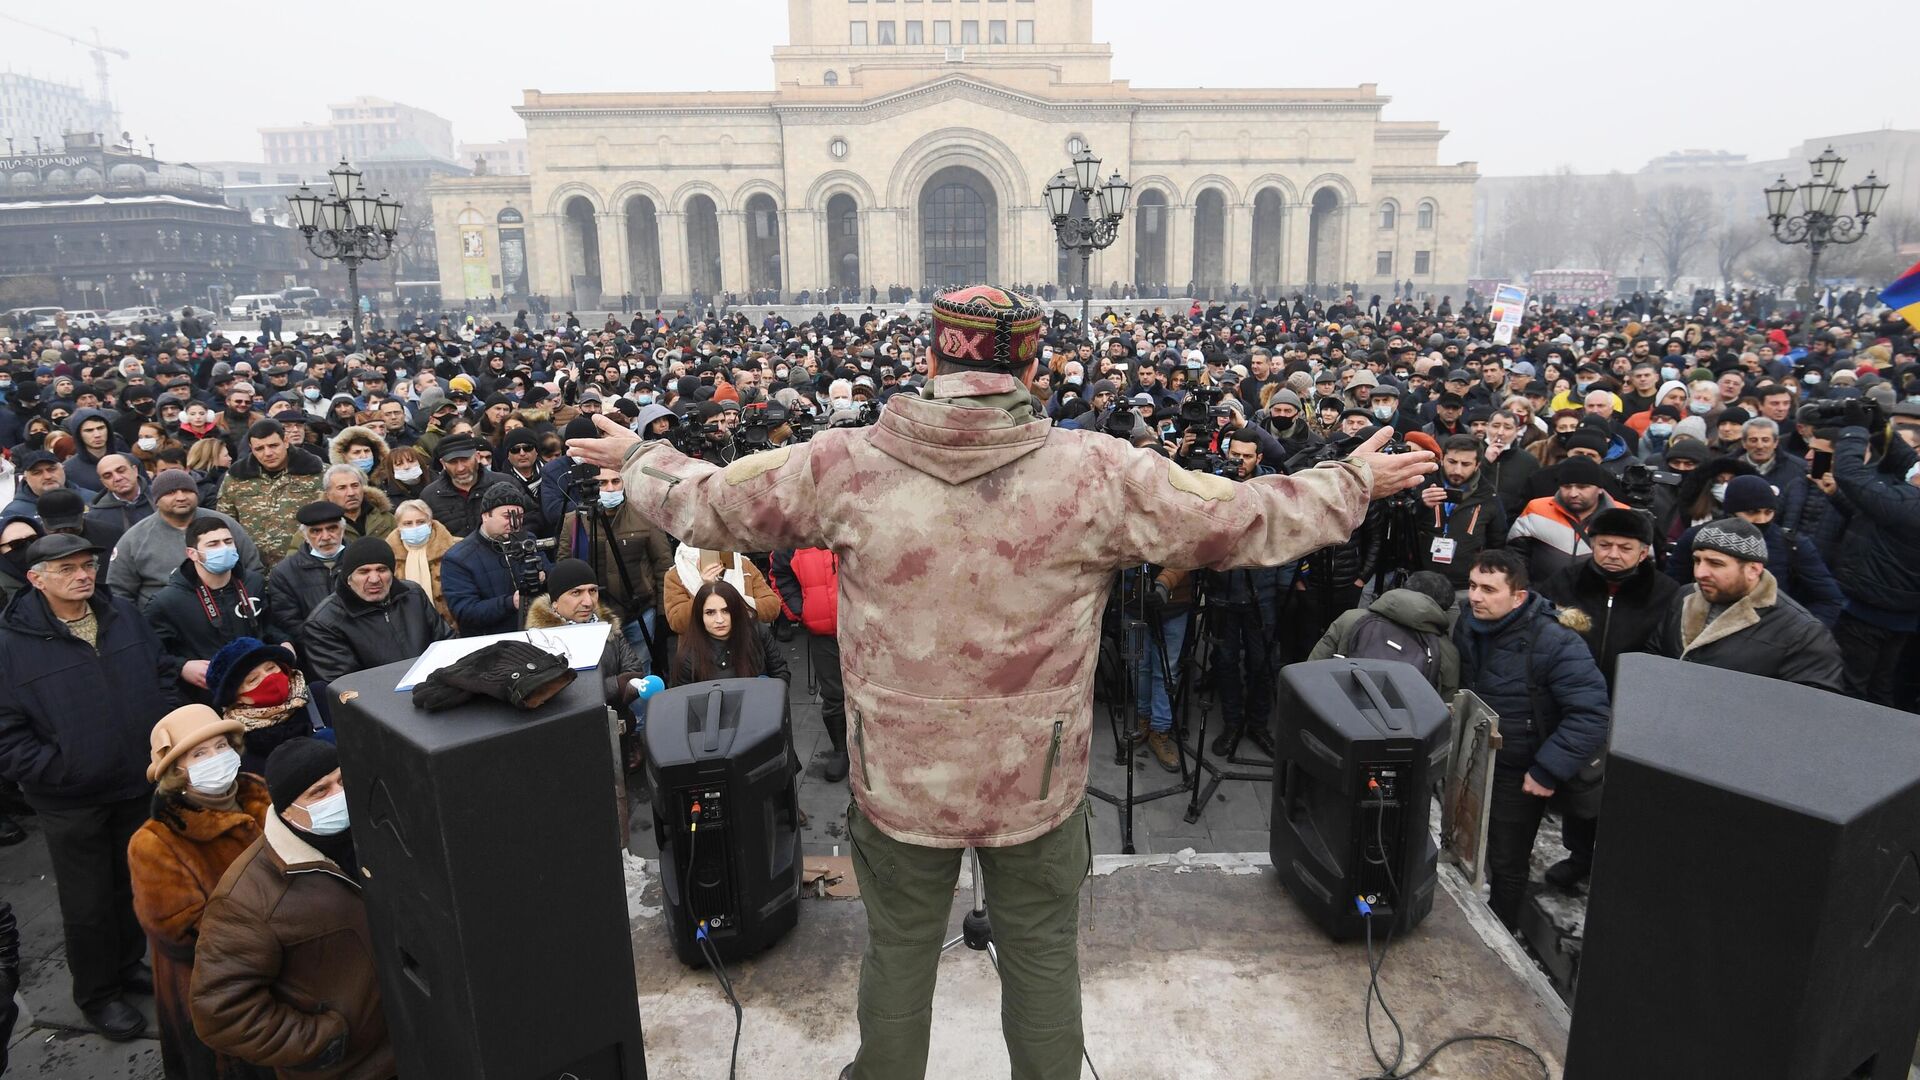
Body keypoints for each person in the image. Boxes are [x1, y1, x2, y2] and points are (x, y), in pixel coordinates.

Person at [567, 283, 1430, 1080]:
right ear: (1028, 369)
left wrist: (642, 455)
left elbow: (713, 501)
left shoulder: (844, 465)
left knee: (898, 956)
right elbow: (1237, 519)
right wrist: (1350, 481)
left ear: (931, 363)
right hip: (1036, 782)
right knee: (1044, 956)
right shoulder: (1097, 472)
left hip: (900, 779)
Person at [0, 533, 181, 1040]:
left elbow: (162, 672)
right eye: (68, 569)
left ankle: (127, 966)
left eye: (87, 564)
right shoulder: (11, 644)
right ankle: (97, 994)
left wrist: (159, 727)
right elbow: (6, 733)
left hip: (135, 780)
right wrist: (61, 768)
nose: (84, 574)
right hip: (70, 797)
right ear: (36, 580)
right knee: (88, 903)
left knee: (134, 885)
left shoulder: (122, 614)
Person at [190, 738, 396, 1079]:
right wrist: (323, 1041)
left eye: (342, 781)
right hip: (351, 1069)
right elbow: (219, 1012)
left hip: (410, 1041)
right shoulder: (248, 899)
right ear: (287, 809)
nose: (338, 796)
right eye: (319, 791)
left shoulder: (371, 830)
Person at [1452, 549, 1611, 930]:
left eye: (1488, 589)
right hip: (1474, 759)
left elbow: (1590, 714)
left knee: (1507, 860)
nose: (1475, 596)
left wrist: (1546, 770)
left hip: (1520, 770)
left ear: (1518, 596)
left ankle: (1502, 933)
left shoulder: (1556, 642)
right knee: (1465, 845)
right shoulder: (1468, 624)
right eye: (1473, 585)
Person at [1534, 507, 1678, 891]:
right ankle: (1580, 856)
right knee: (1582, 787)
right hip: (1574, 703)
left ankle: (1620, 863)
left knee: (1627, 793)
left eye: (1624, 547)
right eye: (1604, 545)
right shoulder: (1566, 581)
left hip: (1636, 708)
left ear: (1644, 552)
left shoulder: (1667, 594)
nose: (1613, 554)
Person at [127, 704, 274, 1080]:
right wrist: (275, 930)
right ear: (177, 770)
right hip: (217, 990)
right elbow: (180, 932)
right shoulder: (154, 841)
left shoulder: (260, 796)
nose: (218, 758)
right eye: (200, 753)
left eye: (222, 746)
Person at [1644, 518, 1846, 693]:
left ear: (1753, 570)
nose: (1700, 572)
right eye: (1697, 560)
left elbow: (1811, 710)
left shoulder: (1803, 634)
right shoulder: (1685, 596)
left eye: (1715, 564)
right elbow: (1654, 655)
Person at [1826, 422, 1920, 707]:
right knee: (1880, 686)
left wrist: (1853, 430)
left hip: (1870, 613)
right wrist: (1879, 424)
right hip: (1899, 614)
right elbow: (1906, 462)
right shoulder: (1906, 503)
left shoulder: (1908, 506)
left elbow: (1849, 474)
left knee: (1852, 688)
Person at [146, 517, 278, 701]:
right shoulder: (167, 602)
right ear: (192, 554)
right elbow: (153, 653)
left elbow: (271, 626)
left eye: (228, 542)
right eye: (213, 544)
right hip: (209, 696)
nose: (224, 549)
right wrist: (183, 667)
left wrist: (285, 643)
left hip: (261, 687)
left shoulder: (253, 582)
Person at [558, 468, 672, 672]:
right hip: (593, 616)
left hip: (639, 612)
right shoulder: (574, 521)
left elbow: (663, 565)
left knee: (640, 670)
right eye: (602, 483)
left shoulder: (645, 516)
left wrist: (664, 613)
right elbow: (564, 570)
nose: (610, 488)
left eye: (615, 481)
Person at [300, 537, 456, 685]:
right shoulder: (324, 623)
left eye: (382, 569)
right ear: (348, 577)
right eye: (364, 572)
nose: (374, 579)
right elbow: (347, 687)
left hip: (434, 689)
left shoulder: (413, 594)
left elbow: (446, 644)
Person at [107, 470, 264, 609]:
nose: (181, 497)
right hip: (166, 620)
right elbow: (119, 592)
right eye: (171, 493)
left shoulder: (224, 524)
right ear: (156, 500)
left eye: (187, 491)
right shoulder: (134, 538)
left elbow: (253, 568)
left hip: (230, 608)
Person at [1308, 569, 1461, 696]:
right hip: (1402, 729)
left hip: (1340, 715)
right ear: (1443, 609)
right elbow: (1445, 708)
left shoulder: (1352, 618)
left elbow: (1311, 669)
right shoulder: (1446, 652)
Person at [522, 559, 650, 709]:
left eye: (593, 591)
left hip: (615, 722)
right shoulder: (537, 641)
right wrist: (615, 685)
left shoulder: (608, 629)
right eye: (576, 593)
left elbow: (634, 674)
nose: (588, 602)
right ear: (555, 601)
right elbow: (554, 694)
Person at [772, 543, 849, 778]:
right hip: (823, 632)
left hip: (868, 630)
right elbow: (780, 571)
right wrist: (801, 610)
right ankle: (841, 750)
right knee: (834, 694)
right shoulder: (798, 532)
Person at [441, 482, 550, 637]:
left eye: (519, 516)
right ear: (485, 515)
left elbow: (551, 575)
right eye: (507, 516)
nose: (513, 523)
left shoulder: (528, 540)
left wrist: (544, 576)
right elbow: (465, 611)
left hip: (537, 632)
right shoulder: (458, 558)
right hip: (491, 641)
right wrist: (511, 603)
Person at [218, 421, 325, 570]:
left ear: (286, 442)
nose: (267, 453)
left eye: (273, 446)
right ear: (251, 449)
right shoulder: (236, 478)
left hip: (307, 568)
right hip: (254, 569)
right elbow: (225, 523)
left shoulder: (318, 473)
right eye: (259, 448)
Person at [207, 638, 318, 774]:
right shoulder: (239, 744)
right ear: (238, 699)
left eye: (271, 668)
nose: (269, 677)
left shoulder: (319, 695)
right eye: (253, 679)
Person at [1412, 436, 1507, 591]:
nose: (1457, 470)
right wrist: (1421, 505)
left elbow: (1497, 542)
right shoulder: (1421, 485)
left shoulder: (1489, 497)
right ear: (1442, 459)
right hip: (1420, 579)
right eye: (1452, 462)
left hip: (1464, 585)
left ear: (1477, 465)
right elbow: (1401, 530)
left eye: (1466, 464)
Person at [1507, 455, 1617, 583]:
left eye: (1582, 487)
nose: (1573, 494)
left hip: (1598, 598)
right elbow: (1515, 553)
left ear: (1599, 489)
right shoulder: (1536, 509)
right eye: (1567, 486)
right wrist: (1524, 587)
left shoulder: (1623, 516)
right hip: (1543, 597)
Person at [670, 579, 791, 687]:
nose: (720, 620)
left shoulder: (758, 632)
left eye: (726, 611)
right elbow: (682, 701)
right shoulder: (687, 655)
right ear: (699, 616)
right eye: (710, 613)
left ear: (736, 610)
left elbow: (780, 674)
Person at [267, 501, 347, 645]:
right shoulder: (285, 573)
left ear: (343, 530)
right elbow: (288, 622)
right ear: (304, 535)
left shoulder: (362, 561)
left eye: (332, 528)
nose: (326, 537)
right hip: (315, 648)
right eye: (316, 531)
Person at [662, 543, 780, 633]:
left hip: (745, 645)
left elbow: (772, 608)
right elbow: (677, 623)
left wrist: (738, 601)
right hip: (701, 652)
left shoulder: (743, 564)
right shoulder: (676, 574)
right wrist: (703, 589)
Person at [420, 434, 514, 537]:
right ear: (443, 464)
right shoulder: (430, 496)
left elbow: (528, 520)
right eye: (453, 462)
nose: (460, 468)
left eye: (465, 460)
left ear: (477, 457)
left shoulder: (505, 485)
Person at [386, 499, 459, 631]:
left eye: (420, 522)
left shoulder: (457, 549)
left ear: (430, 523)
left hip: (454, 627)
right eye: (407, 523)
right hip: (408, 630)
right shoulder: (387, 557)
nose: (415, 527)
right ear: (398, 527)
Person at [320, 463, 397, 544]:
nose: (351, 493)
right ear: (328, 494)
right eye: (342, 488)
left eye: (355, 485)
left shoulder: (386, 518)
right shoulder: (318, 526)